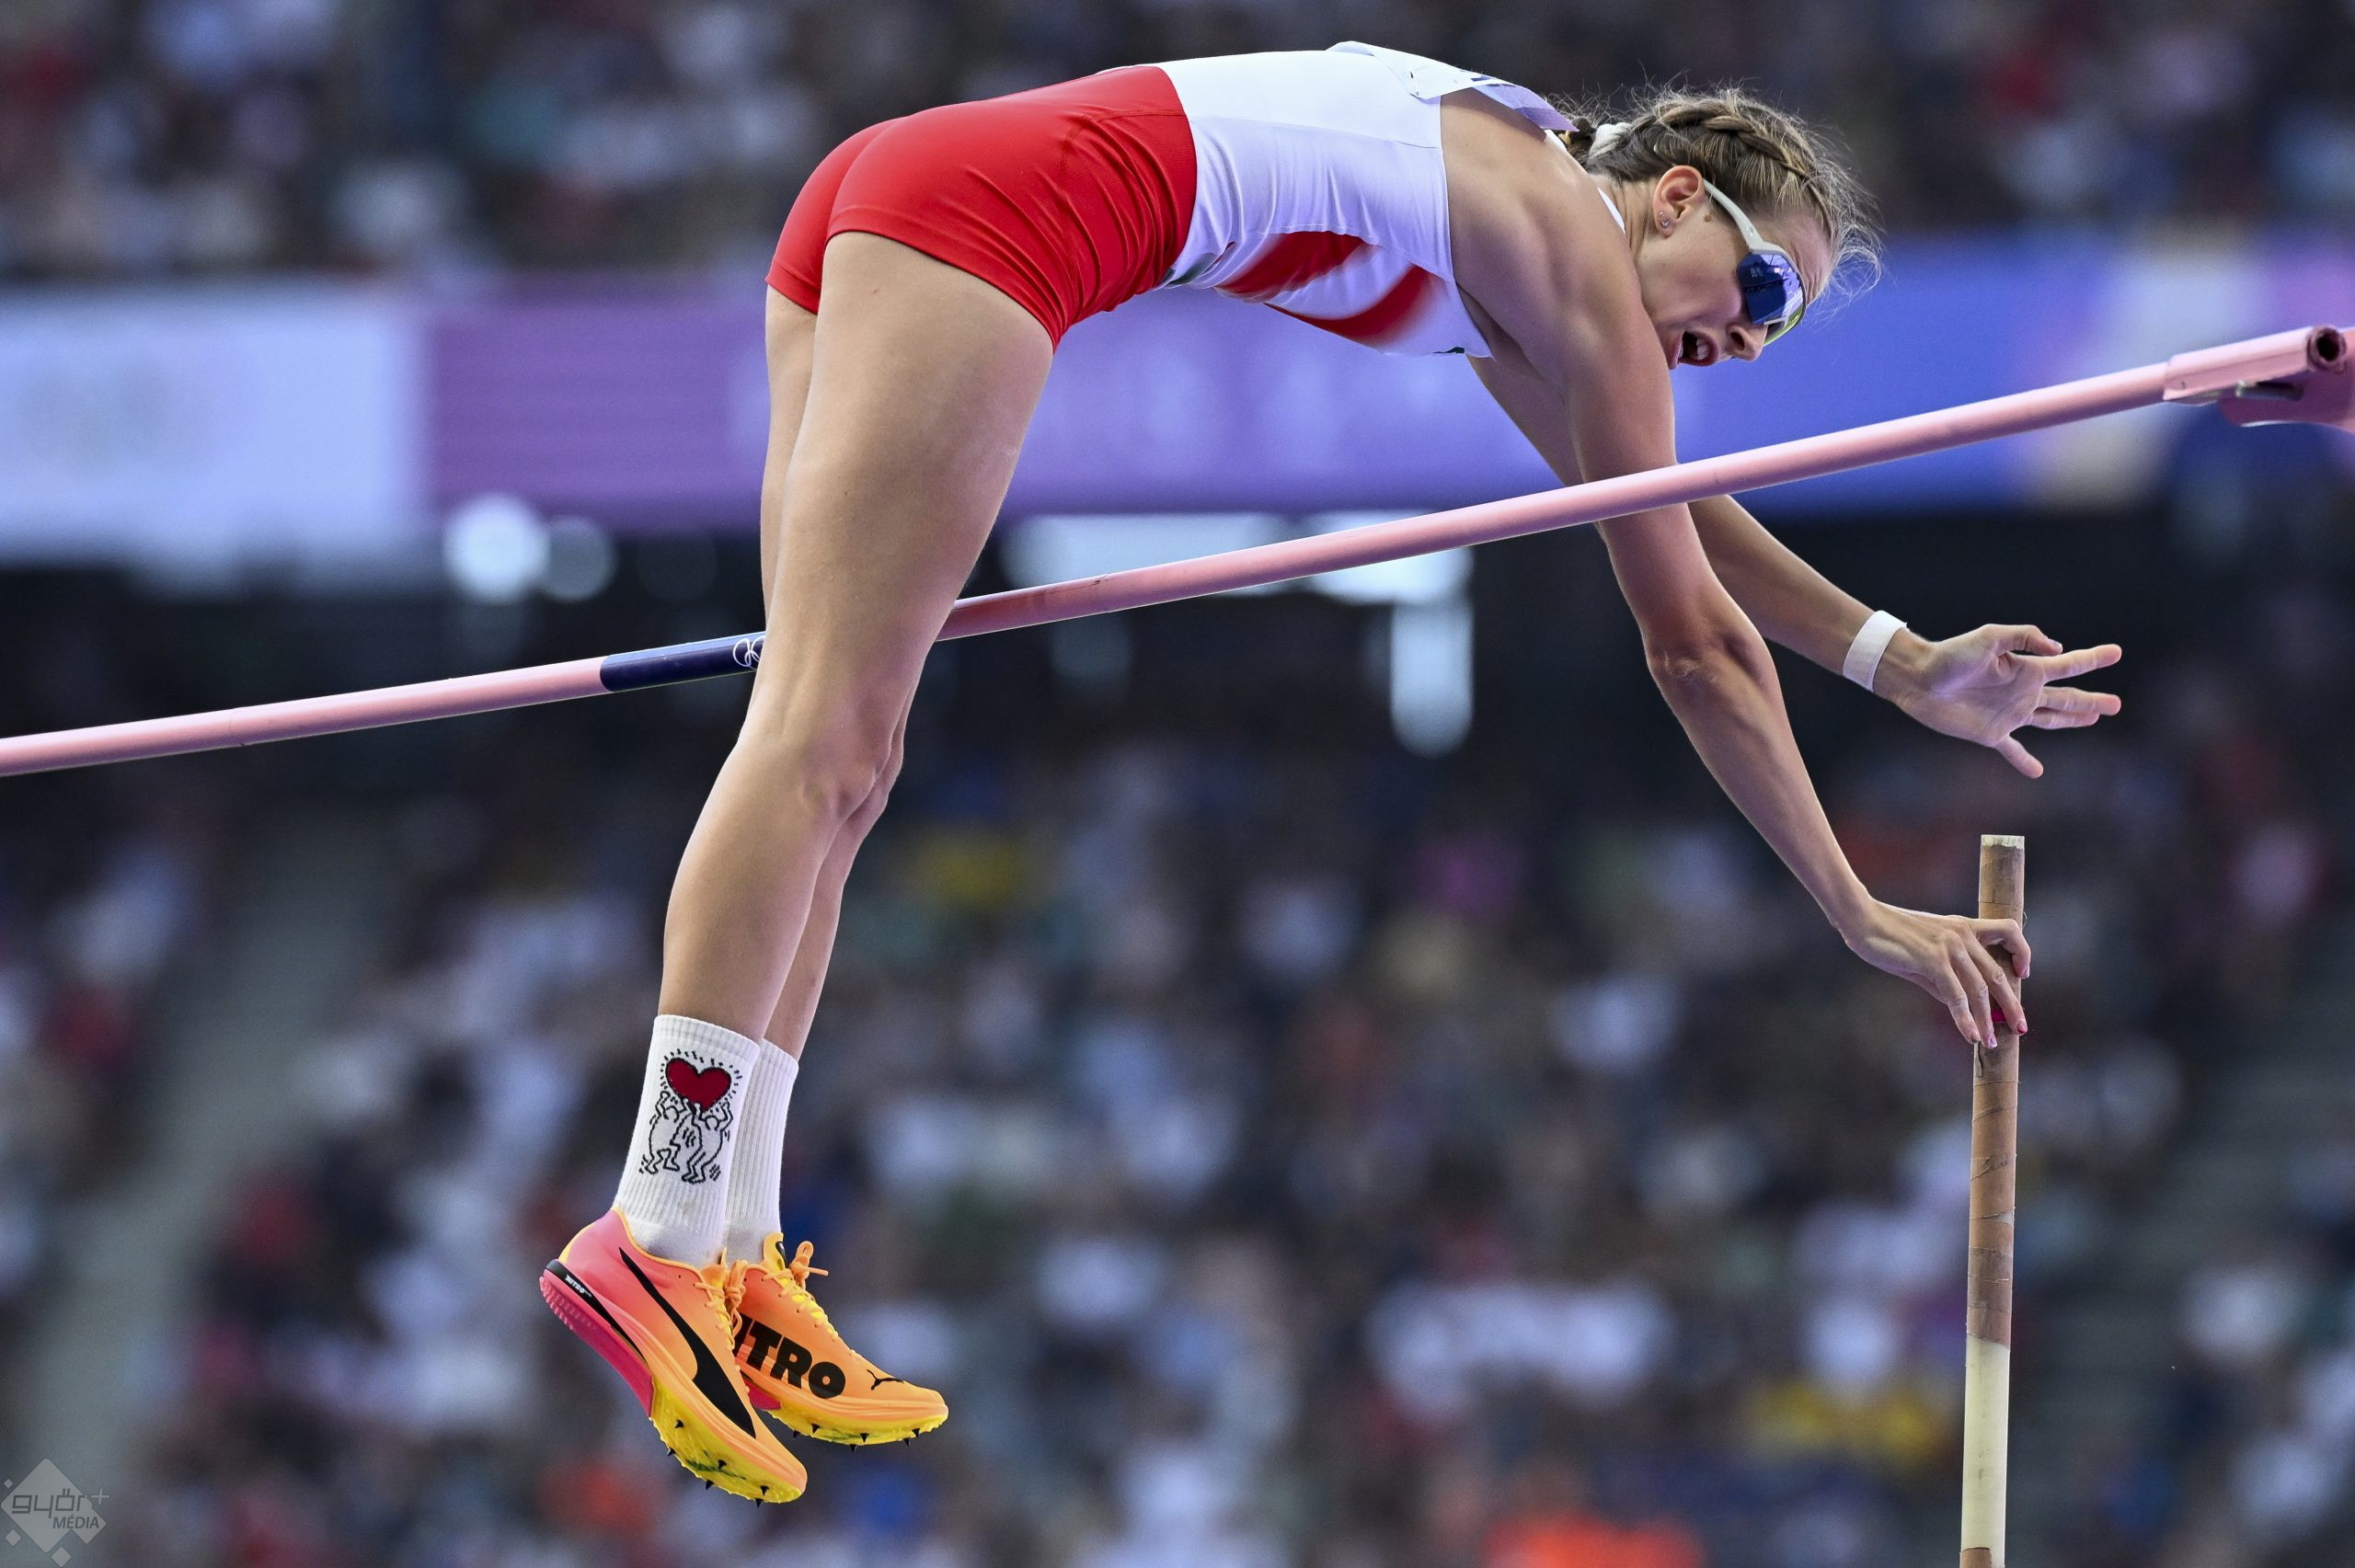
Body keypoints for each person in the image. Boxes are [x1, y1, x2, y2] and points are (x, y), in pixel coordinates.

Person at [539, 40, 2121, 1503]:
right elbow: (1694, 644)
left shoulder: (1533, 245)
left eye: (1776, 327)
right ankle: (659, 1223)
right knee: (822, 739)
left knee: (845, 754)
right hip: (990, 221)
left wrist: (1899, 661)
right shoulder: (1572, 247)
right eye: (1761, 282)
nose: (1748, 336)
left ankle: (730, 1242)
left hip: (911, 190)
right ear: (1678, 196)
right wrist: (1855, 907)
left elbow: (1676, 509)